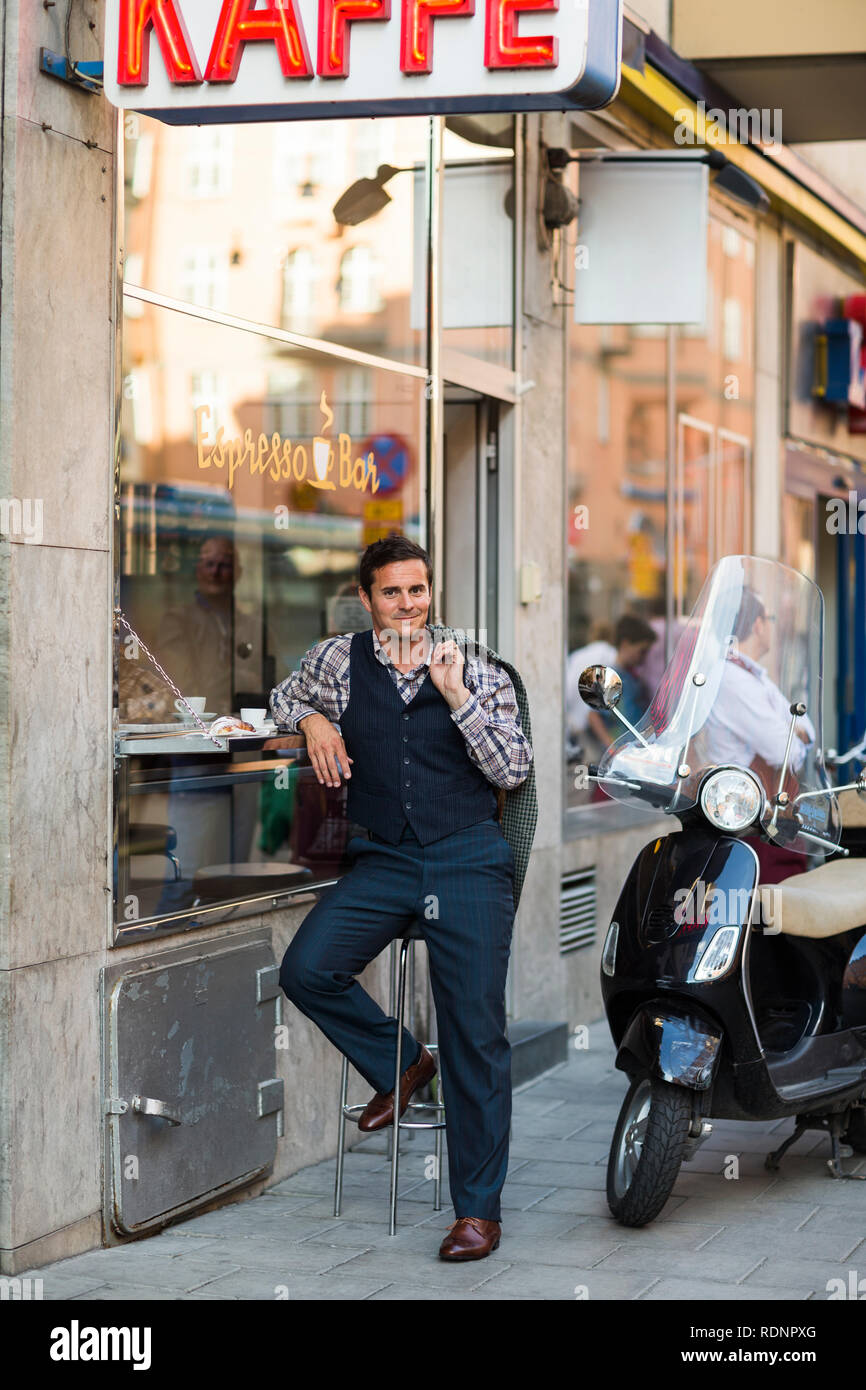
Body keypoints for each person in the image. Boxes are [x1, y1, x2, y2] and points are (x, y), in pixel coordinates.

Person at [269, 534, 534, 1262]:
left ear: (430, 592)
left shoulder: (477, 666)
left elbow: (513, 767)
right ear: (367, 598)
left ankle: (477, 1211)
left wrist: (456, 698)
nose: (408, 605)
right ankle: (404, 1062)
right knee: (307, 968)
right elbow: (283, 694)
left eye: (417, 591)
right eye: (392, 593)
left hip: (467, 857)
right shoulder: (336, 660)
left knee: (476, 1033)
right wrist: (313, 719)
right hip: (385, 857)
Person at [700, 586, 815, 883]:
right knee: (765, 911)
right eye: (770, 618)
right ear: (757, 624)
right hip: (751, 824)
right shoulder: (732, 678)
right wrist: (793, 731)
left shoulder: (752, 675)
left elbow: (809, 730)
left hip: (770, 817)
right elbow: (785, 751)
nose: (772, 626)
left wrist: (794, 731)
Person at [158, 536, 239, 714]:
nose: (215, 573)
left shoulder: (254, 626)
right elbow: (180, 685)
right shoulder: (177, 621)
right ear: (198, 571)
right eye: (209, 564)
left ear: (237, 572)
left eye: (224, 565)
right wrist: (239, 678)